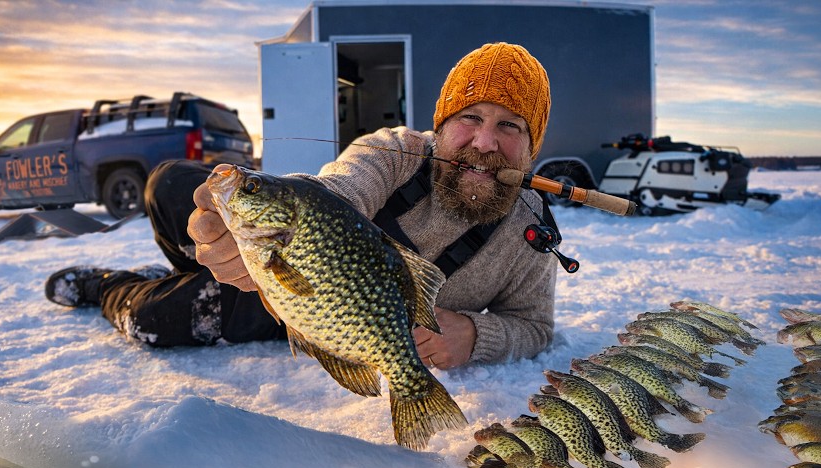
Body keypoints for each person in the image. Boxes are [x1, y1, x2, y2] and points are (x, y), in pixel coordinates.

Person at [45, 42, 558, 369]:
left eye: (509, 125)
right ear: (440, 126)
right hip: (294, 271)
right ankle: (208, 262)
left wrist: (475, 334)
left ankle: (111, 285)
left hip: (327, 317)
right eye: (469, 118)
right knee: (170, 183)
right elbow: (337, 189)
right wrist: (242, 230)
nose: (484, 143)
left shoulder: (530, 232)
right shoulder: (393, 152)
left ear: (531, 147)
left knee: (156, 317)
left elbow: (534, 326)